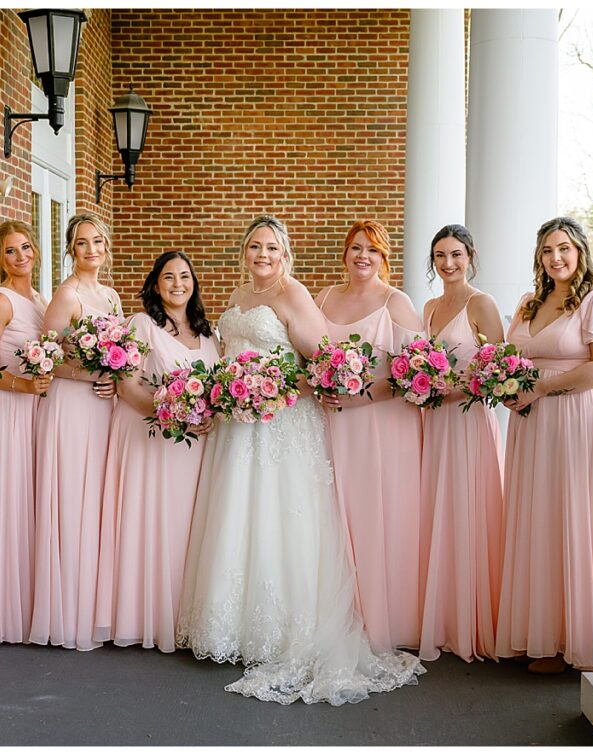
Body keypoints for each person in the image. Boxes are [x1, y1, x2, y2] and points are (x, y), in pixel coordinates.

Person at [176, 215, 424, 705]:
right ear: (244, 253)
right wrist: (230, 391)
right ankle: (233, 626)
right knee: (236, 514)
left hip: (281, 424)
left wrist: (272, 391)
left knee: (278, 516)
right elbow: (229, 352)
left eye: (271, 248)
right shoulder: (239, 297)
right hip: (237, 429)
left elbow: (323, 364)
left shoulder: (295, 296)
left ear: (284, 254)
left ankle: (282, 629)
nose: (262, 255)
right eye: (254, 247)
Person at [495, 216, 593, 673]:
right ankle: (538, 632)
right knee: (536, 516)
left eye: (564, 249)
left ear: (580, 252)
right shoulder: (530, 302)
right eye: (548, 250)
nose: (556, 258)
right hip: (532, 422)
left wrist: (539, 389)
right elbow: (509, 355)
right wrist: (506, 383)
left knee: (572, 515)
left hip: (577, 416)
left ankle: (571, 640)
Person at [94, 251, 221, 652]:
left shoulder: (209, 333)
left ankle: (185, 615)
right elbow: (128, 388)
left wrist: (208, 416)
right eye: (169, 277)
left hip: (196, 445)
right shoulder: (141, 325)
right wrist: (174, 414)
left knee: (187, 526)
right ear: (155, 283)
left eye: (185, 276)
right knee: (155, 521)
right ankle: (147, 616)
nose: (178, 284)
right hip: (151, 440)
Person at [314, 220, 425, 652]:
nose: (363, 256)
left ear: (384, 258)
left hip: (381, 423)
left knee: (377, 511)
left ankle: (384, 617)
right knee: (336, 512)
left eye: (372, 250)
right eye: (356, 248)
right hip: (332, 422)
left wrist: (363, 396)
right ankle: (340, 612)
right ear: (345, 253)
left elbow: (420, 374)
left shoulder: (396, 302)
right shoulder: (324, 297)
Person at [29, 212, 122, 650]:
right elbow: (44, 359)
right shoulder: (65, 296)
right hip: (70, 407)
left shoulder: (112, 296)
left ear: (106, 247)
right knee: (71, 499)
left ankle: (96, 604)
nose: (91, 250)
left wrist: (114, 377)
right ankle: (67, 610)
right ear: (70, 249)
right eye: (82, 243)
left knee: (98, 500)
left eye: (98, 242)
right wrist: (85, 376)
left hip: (104, 407)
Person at [417, 224, 505, 663]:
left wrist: (453, 387)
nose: (448, 264)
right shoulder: (430, 306)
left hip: (468, 421)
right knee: (439, 511)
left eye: (455, 255)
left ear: (470, 255)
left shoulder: (481, 303)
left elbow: (499, 370)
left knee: (470, 509)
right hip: (434, 422)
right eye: (439, 256)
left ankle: (473, 621)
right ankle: (443, 615)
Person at [0, 220, 52, 644]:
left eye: (25, 248)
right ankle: (0, 610)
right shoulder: (1, 302)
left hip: (36, 413)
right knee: (8, 501)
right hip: (6, 411)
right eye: (10, 251)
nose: (20, 257)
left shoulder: (39, 300)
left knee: (30, 502)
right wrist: (22, 385)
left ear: (35, 251)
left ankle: (28, 604)